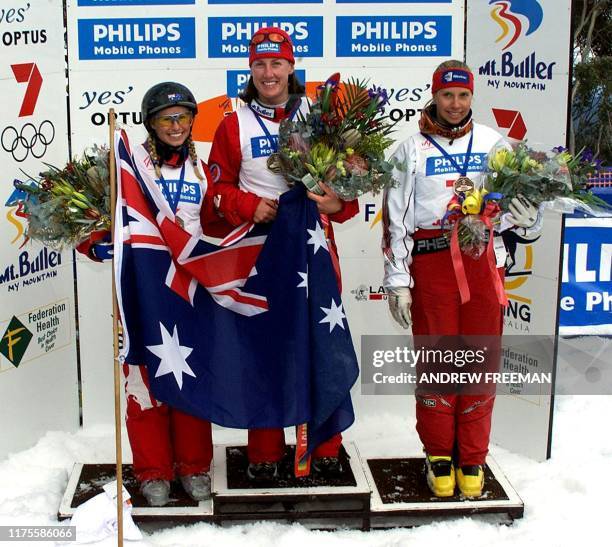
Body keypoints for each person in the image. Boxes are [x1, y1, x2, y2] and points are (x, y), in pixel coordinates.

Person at [382, 60, 540, 498]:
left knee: (480, 362)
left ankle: (472, 456)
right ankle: (438, 455)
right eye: (447, 95)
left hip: (482, 263)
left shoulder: (495, 142)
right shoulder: (410, 149)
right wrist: (398, 279)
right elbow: (396, 221)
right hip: (432, 267)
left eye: (463, 95)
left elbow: (520, 204)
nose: (455, 104)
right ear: (434, 95)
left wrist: (527, 219)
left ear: (473, 97)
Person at [208, 27, 359, 481]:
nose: (268, 73)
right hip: (261, 251)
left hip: (313, 250)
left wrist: (337, 204)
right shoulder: (233, 124)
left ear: (291, 68)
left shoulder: (320, 119)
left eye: (277, 64)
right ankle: (264, 453)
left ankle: (326, 443)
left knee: (320, 343)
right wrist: (248, 206)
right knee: (264, 350)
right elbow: (217, 190)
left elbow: (347, 191)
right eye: (259, 65)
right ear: (249, 71)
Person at [78, 82, 224, 506]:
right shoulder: (129, 165)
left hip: (194, 291)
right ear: (151, 124)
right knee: (145, 379)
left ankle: (194, 465)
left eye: (183, 117)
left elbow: (223, 217)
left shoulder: (206, 166)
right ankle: (152, 469)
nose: (176, 126)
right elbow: (90, 219)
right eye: (166, 118)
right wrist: (95, 243)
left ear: (193, 120)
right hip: (143, 292)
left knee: (192, 377)